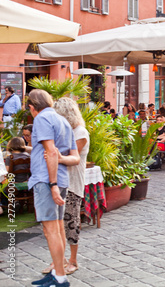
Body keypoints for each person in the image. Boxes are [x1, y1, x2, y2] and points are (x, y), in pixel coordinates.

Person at [26, 89, 80, 287]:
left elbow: (50, 152)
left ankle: (59, 277)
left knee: (51, 231)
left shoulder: (41, 119)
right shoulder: (63, 121)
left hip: (48, 180)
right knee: (56, 229)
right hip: (60, 179)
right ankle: (58, 274)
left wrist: (52, 184)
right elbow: (74, 158)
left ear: (32, 107)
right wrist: (57, 177)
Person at [50, 97, 90, 276]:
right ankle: (60, 259)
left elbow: (69, 157)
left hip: (73, 182)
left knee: (71, 221)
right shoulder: (67, 132)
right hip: (61, 182)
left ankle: (73, 260)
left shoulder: (80, 132)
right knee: (58, 223)